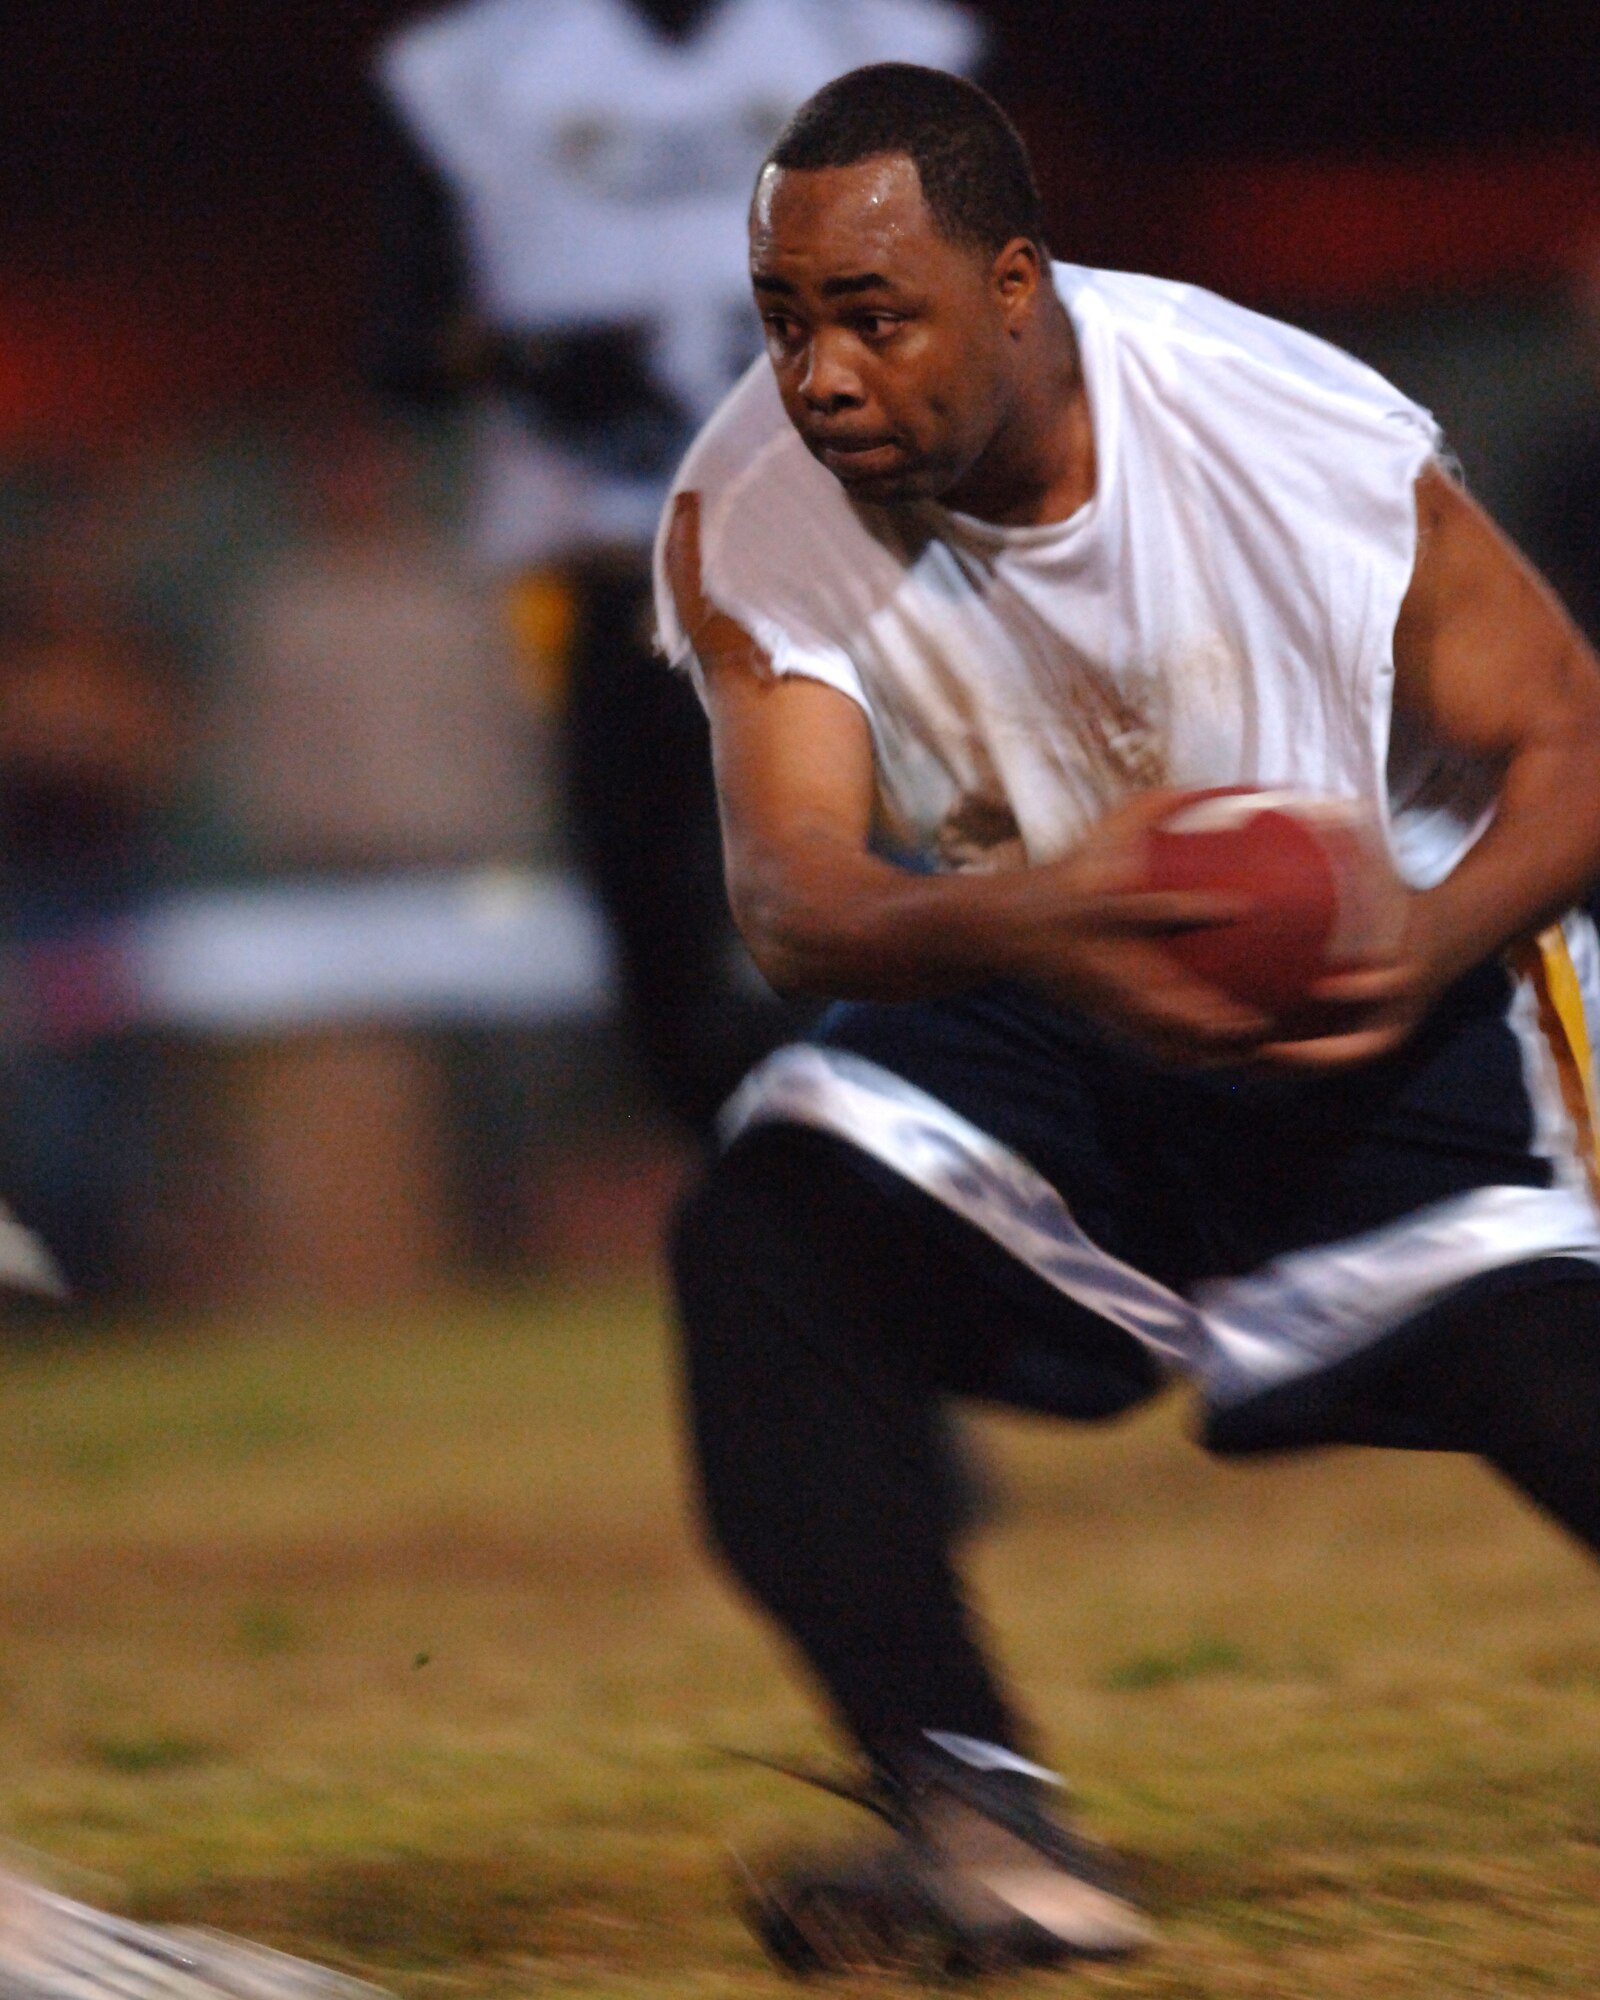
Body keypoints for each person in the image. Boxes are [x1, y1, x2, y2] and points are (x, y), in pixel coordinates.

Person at [656, 63, 1600, 1976]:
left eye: (872, 314)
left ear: (1019, 285)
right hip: (1055, 976)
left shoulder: (1271, 419)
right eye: (786, 318)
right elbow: (795, 899)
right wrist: (1051, 919)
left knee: (1553, 1385)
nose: (821, 375)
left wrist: (1421, 947)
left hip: (1390, 993)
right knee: (770, 1233)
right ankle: (980, 1817)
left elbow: (1568, 732)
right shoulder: (752, 500)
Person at [370, 0, 982, 1137]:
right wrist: (521, 355)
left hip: (863, 561)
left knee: (932, 911)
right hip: (624, 584)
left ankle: (963, 1185)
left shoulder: (868, 36)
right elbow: (403, 342)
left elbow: (1010, 289)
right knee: (674, 962)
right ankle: (791, 1199)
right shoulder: (470, 73)